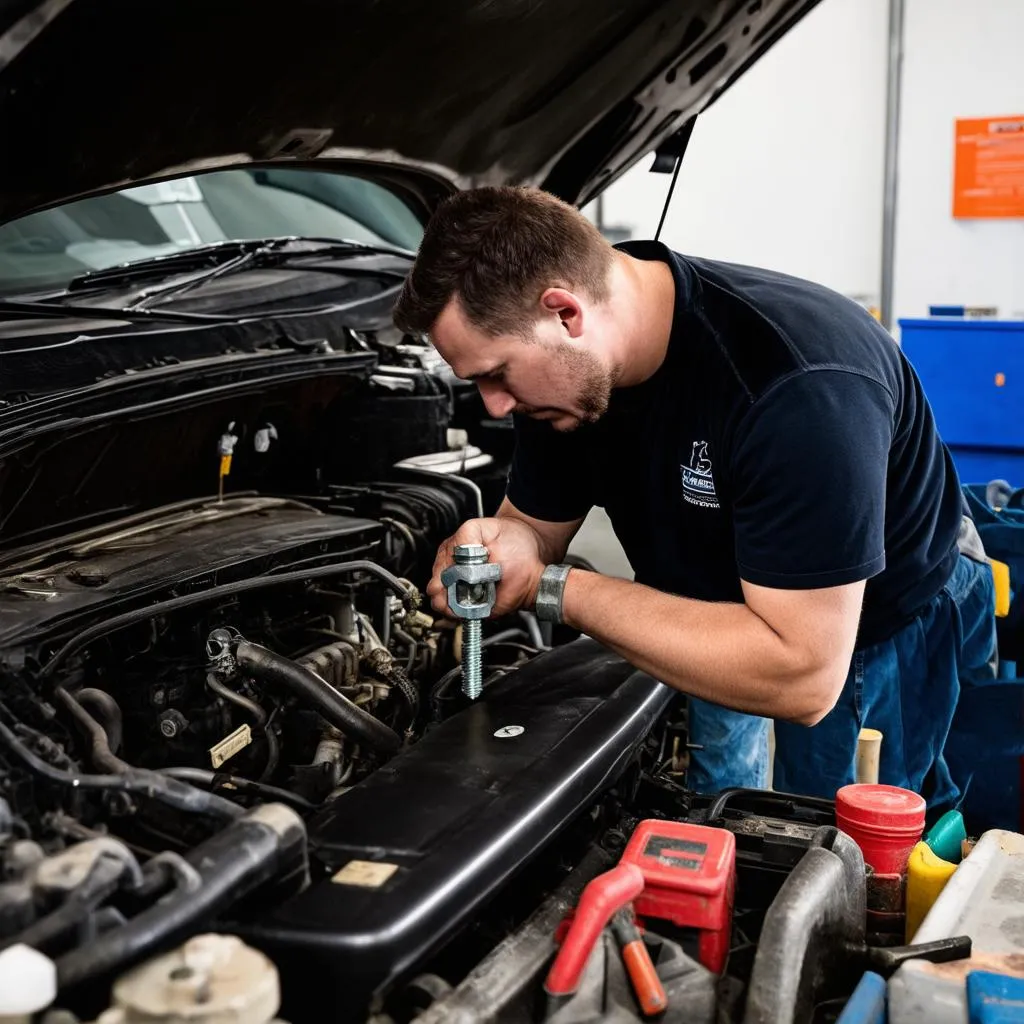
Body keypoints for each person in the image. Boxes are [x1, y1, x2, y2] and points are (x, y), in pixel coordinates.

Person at [392, 185, 997, 808]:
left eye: (496, 374)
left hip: (867, 615)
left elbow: (804, 676)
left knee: (827, 838)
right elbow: (535, 526)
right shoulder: (568, 374)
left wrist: (552, 588)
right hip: (716, 600)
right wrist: (503, 545)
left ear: (565, 312)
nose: (495, 404)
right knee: (714, 807)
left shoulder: (797, 387)